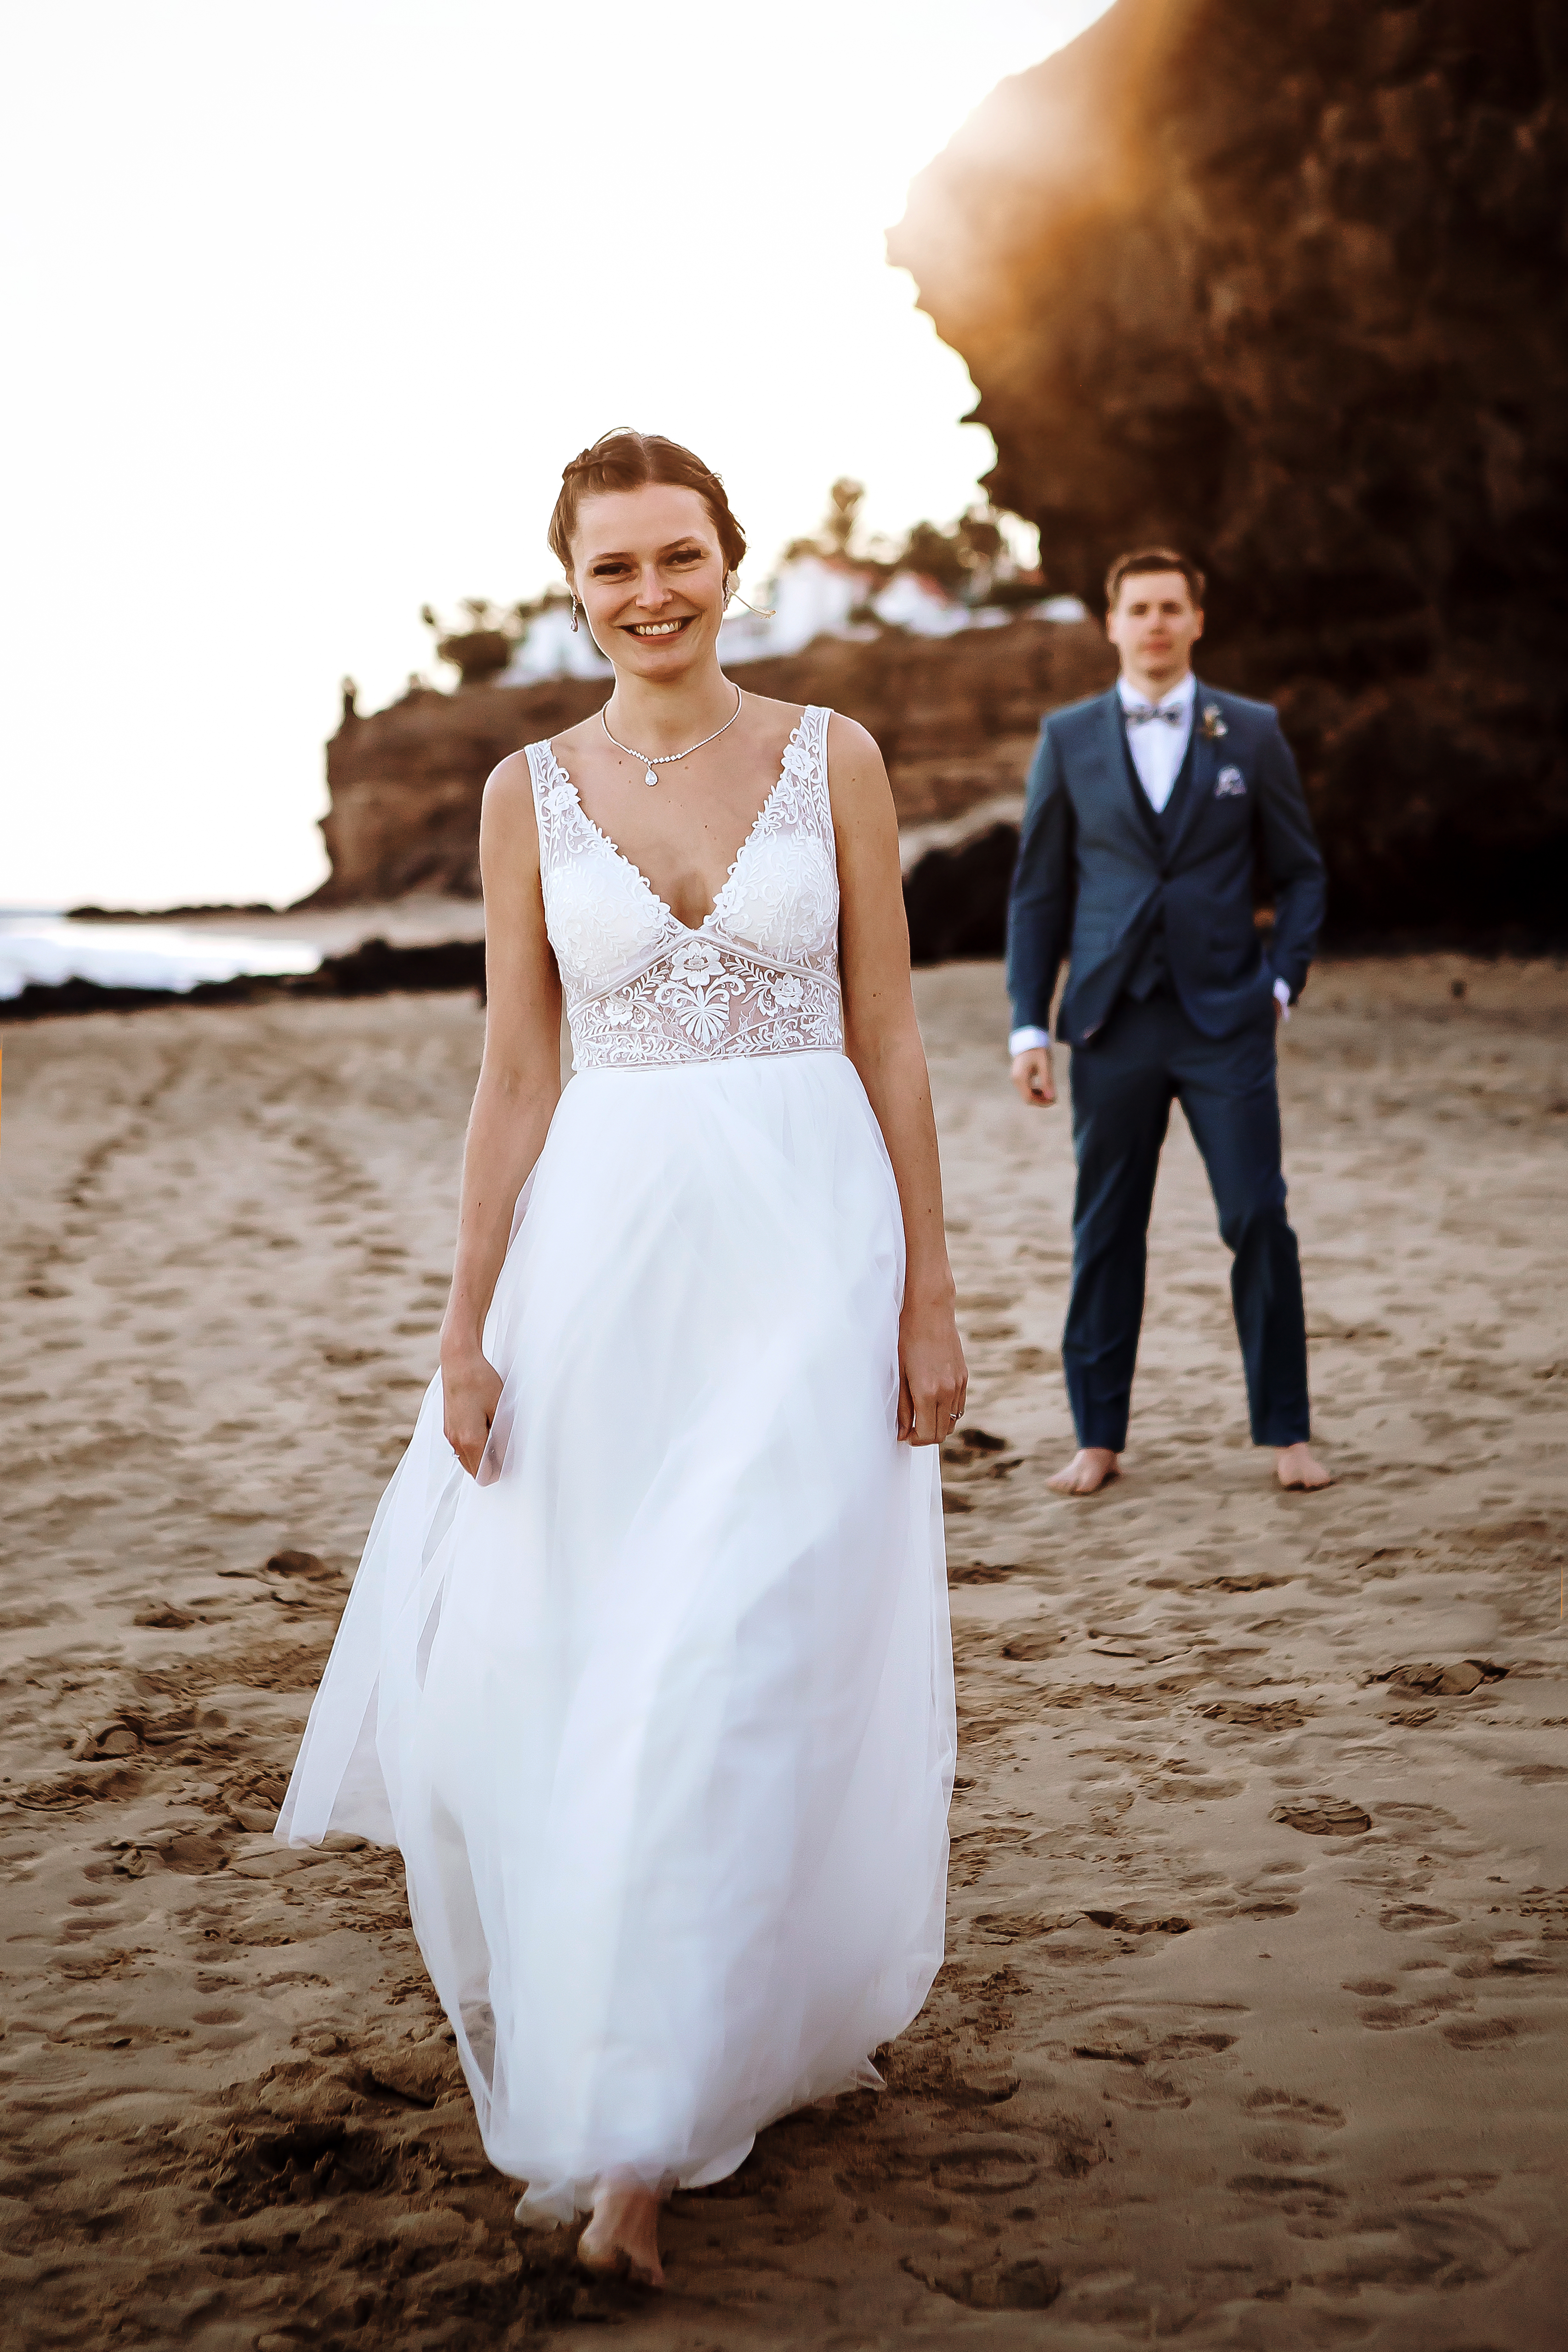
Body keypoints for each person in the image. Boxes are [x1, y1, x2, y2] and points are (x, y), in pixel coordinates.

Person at [276, 430, 962, 2286]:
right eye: (610, 571)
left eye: (678, 556)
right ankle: (680, 2041)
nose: (648, 593)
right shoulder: (524, 789)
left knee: (739, 1651)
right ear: (572, 588)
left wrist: (928, 1292)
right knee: (605, 1649)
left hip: (808, 1254)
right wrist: (464, 1320)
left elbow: (891, 1037)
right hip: (603, 1267)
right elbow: (515, 1072)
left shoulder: (838, 760)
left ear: (730, 558)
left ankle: (642, 2145)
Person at [1006, 547, 1329, 1496]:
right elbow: (1036, 896)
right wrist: (1029, 1025)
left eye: (1168, 607)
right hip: (1109, 1022)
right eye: (1135, 608)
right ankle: (1096, 1438)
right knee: (1105, 1228)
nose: (1152, 623)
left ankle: (1286, 1433)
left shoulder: (1253, 733)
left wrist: (1279, 986)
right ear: (1109, 623)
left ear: (1196, 620)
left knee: (1255, 1216)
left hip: (1226, 1017)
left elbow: (1301, 873)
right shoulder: (1066, 739)